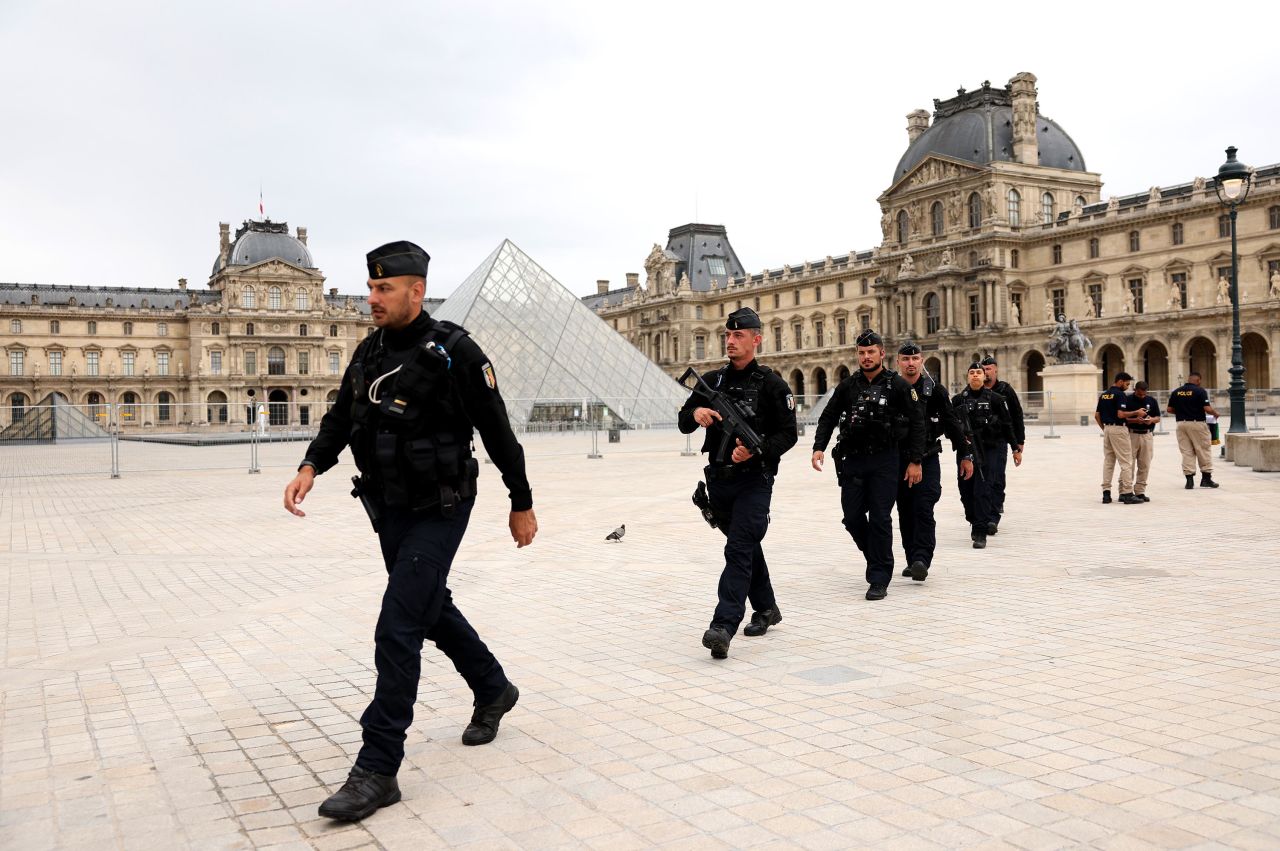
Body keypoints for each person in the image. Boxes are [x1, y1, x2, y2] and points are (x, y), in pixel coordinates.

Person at [283, 241, 538, 822]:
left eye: (383, 289)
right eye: (370, 288)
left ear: (415, 291)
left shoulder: (456, 353)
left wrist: (521, 502)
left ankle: (377, 768)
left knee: (398, 625)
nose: (371, 298)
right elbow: (343, 417)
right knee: (428, 607)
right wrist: (310, 466)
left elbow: (500, 434)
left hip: (442, 506)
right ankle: (493, 688)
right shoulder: (369, 351)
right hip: (389, 505)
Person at [678, 307, 797, 660]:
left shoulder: (773, 384)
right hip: (719, 482)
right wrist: (695, 413)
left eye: (738, 336)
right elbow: (684, 421)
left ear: (756, 339)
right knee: (744, 547)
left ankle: (723, 625)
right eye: (727, 336)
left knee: (738, 548)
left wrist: (757, 454)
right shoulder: (712, 382)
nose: (730, 341)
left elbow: (789, 434)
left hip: (754, 481)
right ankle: (766, 608)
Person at [812, 330, 926, 599]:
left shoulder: (898, 385)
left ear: (882, 354)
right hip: (853, 459)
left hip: (885, 460)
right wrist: (819, 446)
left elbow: (918, 423)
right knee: (852, 518)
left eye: (871, 352)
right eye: (861, 353)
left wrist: (915, 461)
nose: (865, 357)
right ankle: (875, 555)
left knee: (880, 518)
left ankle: (879, 576)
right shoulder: (849, 386)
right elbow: (828, 416)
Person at [895, 343, 973, 581]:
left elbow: (952, 424)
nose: (910, 363)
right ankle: (912, 558)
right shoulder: (892, 390)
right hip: (898, 460)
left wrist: (966, 455)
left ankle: (922, 559)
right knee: (905, 511)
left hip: (927, 457)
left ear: (922, 361)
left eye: (915, 358)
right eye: (906, 359)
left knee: (923, 508)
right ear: (898, 361)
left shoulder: (935, 391)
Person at [952, 364, 1020, 548]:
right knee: (965, 491)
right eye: (972, 373)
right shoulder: (958, 400)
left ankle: (980, 531)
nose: (975, 375)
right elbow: (949, 427)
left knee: (982, 489)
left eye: (979, 373)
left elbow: (1007, 424)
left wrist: (1015, 447)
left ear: (984, 377)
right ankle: (974, 519)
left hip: (989, 449)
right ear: (967, 377)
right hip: (966, 452)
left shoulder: (996, 399)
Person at [980, 356, 1025, 533]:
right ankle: (984, 511)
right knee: (982, 479)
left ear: (995, 370)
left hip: (999, 440)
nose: (985, 372)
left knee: (997, 477)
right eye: (983, 369)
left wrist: (1019, 442)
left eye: (988, 369)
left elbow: (1017, 415)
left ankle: (993, 517)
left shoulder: (1005, 389)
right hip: (980, 442)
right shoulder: (975, 390)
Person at [1094, 371, 1146, 504]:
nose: (1128, 387)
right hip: (1119, 428)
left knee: (1108, 462)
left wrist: (1105, 429)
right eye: (1127, 384)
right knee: (1126, 462)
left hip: (1107, 429)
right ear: (1121, 381)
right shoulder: (1120, 394)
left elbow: (1097, 416)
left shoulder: (1104, 394)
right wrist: (1136, 412)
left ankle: (1106, 493)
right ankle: (1127, 493)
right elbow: (1121, 414)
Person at [1167, 371, 1220, 489]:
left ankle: (1189, 480)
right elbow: (1207, 408)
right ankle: (1206, 479)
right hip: (1197, 424)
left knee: (1186, 451)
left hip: (1181, 424)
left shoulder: (1176, 392)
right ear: (1198, 380)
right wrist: (1215, 413)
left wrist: (1181, 412)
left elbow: (1169, 409)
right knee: (1202, 449)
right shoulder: (1200, 391)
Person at [1126, 381, 1161, 502]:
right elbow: (1123, 418)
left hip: (1147, 435)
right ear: (1135, 390)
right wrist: (1135, 420)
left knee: (1145, 464)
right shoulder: (1128, 400)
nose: (1142, 396)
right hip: (1131, 434)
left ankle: (1140, 491)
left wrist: (1151, 420)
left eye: (1144, 394)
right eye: (1140, 394)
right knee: (1129, 464)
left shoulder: (1151, 400)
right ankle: (1126, 490)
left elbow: (1158, 417)